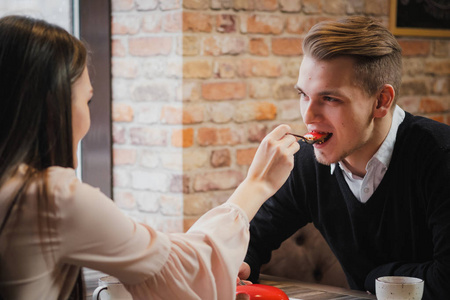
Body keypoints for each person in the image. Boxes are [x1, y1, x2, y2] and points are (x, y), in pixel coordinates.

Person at [0, 15, 300, 300]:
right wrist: (256, 184)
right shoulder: (50, 197)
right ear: (55, 106)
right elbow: (190, 267)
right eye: (87, 99)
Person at [239, 16, 450, 300]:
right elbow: (251, 237)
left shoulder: (440, 156)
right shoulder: (305, 163)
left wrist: (377, 276)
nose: (308, 116)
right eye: (304, 94)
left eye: (330, 99)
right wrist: (240, 264)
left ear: (381, 101)